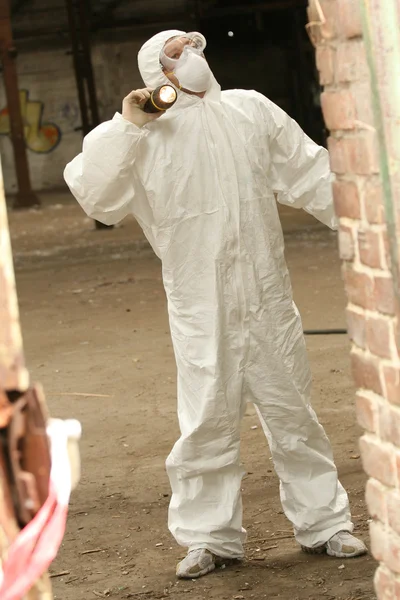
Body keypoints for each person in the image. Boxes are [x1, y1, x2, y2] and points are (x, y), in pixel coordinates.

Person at [64, 30, 367, 580]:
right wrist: (127, 125)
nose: (193, 58)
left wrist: (368, 223)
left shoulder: (249, 111)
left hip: (267, 296)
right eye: (176, 53)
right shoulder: (142, 135)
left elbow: (310, 170)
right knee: (206, 420)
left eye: (196, 47)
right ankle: (210, 538)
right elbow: (96, 196)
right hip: (200, 303)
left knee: (293, 410)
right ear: (157, 71)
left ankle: (326, 524)